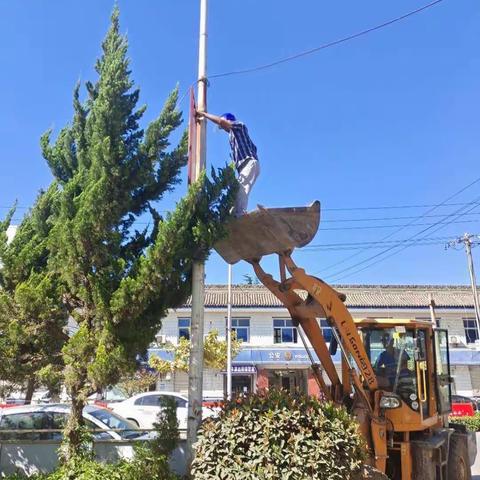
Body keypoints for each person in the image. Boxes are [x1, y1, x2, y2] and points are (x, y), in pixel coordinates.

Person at [197, 111, 260, 217]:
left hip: (249, 162)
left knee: (242, 190)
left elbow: (221, 122)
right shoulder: (233, 136)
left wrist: (204, 114)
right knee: (236, 193)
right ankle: (233, 215)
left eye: (223, 127)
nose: (224, 129)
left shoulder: (239, 125)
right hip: (244, 167)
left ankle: (239, 215)